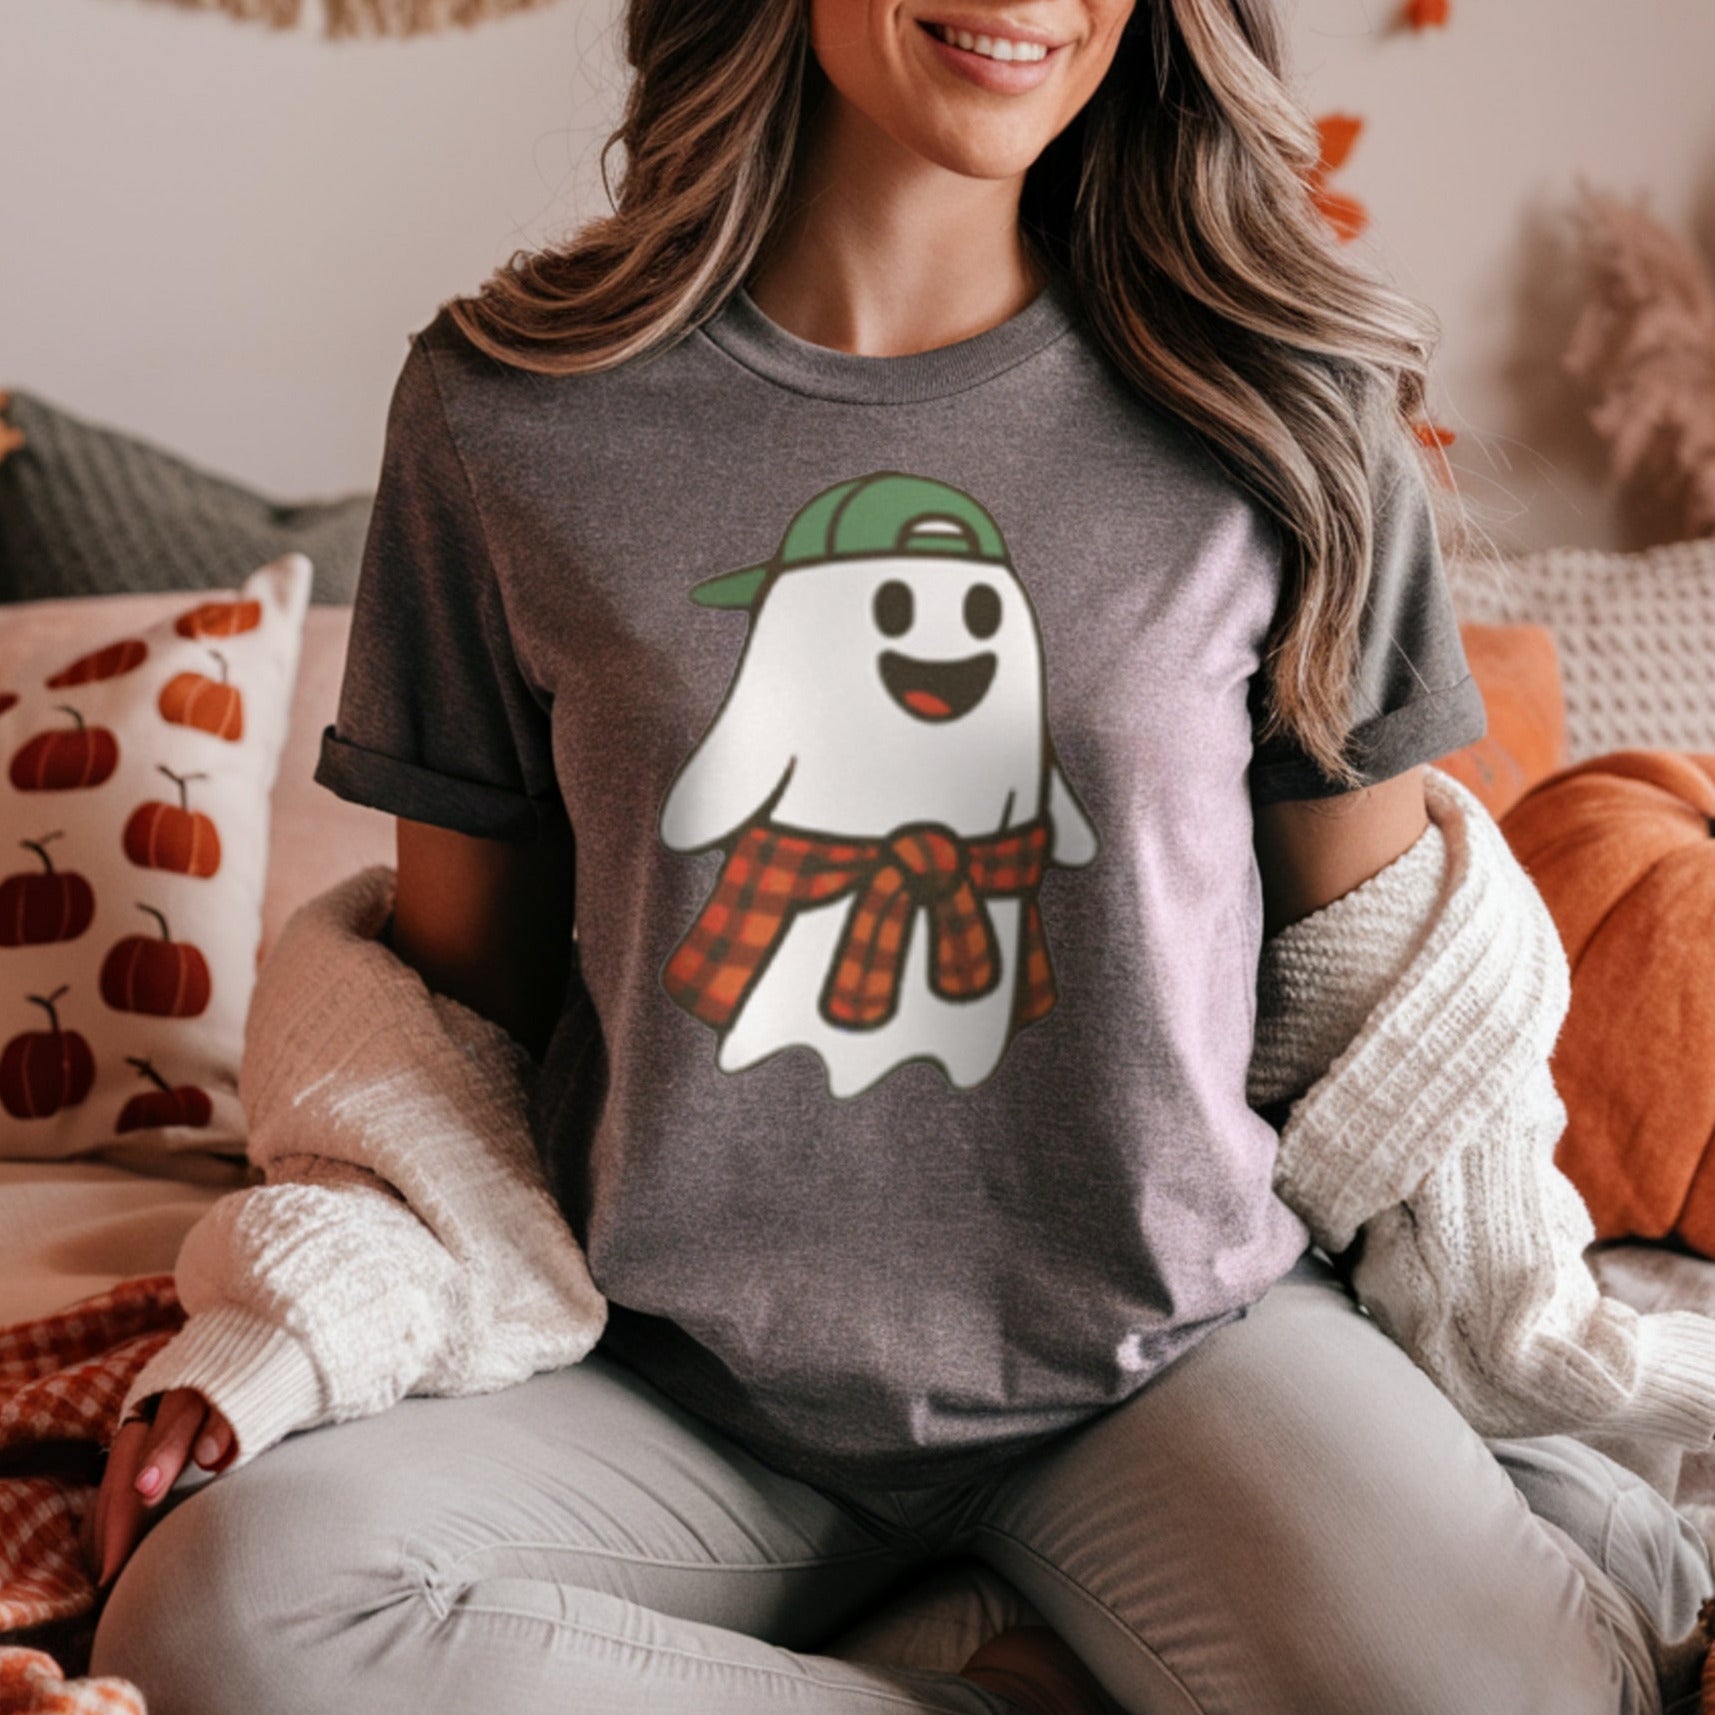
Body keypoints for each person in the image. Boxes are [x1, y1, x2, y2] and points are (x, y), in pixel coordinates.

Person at [86, 1, 1715, 1711]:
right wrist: (311, 1312)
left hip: (1171, 1356)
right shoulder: (511, 408)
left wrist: (1504, 1332)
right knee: (220, 1617)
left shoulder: (1286, 406)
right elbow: (442, 1023)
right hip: (666, 1380)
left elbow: (1385, 996)